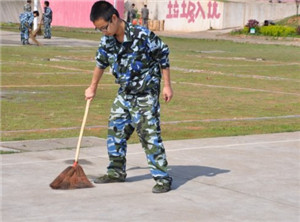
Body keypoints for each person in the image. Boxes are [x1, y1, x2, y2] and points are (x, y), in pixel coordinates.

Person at [86, 0, 173, 193]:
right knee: (115, 131)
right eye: (98, 29)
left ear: (114, 18)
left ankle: (162, 178)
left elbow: (163, 55)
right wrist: (92, 87)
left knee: (149, 135)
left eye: (104, 27)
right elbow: (100, 63)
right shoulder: (107, 40)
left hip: (145, 94)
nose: (103, 32)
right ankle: (116, 172)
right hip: (124, 93)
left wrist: (167, 86)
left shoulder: (141, 35)